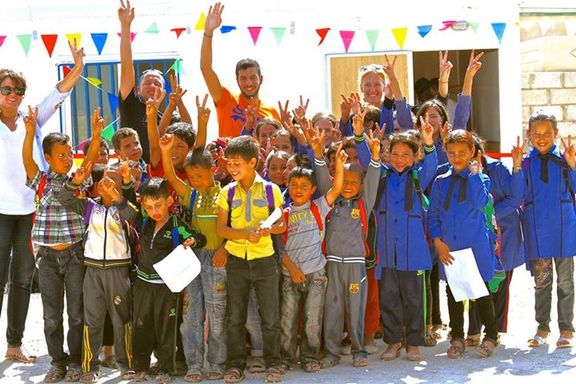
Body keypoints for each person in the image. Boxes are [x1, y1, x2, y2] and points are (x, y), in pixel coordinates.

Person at [0, 40, 84, 365]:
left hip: (28, 212)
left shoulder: (29, 119)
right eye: (6, 89)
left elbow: (57, 95)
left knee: (21, 279)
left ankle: (13, 344)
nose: (13, 95)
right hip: (0, 213)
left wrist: (76, 69)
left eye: (18, 90)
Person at [22, 107, 103, 382]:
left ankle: (77, 361)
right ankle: (57, 362)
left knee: (77, 314)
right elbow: (27, 162)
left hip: (75, 256)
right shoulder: (41, 181)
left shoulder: (78, 181)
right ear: (48, 158)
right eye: (61, 156)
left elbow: (89, 162)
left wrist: (95, 135)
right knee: (51, 316)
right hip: (47, 258)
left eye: (69, 155)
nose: (67, 160)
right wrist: (30, 131)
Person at [355, 115, 437, 362]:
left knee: (414, 300)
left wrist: (428, 141)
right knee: (389, 298)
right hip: (387, 252)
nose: (400, 159)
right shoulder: (381, 176)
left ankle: (414, 343)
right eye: (395, 153)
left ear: (415, 157)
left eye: (406, 155)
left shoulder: (418, 177)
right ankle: (393, 342)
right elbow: (366, 160)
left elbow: (432, 165)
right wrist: (359, 135)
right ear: (387, 154)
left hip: (414, 253)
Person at [159, 105, 228, 381]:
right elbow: (172, 178)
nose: (196, 180)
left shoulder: (225, 193)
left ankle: (216, 363)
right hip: (194, 258)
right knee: (191, 313)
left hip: (217, 258)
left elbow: (231, 227)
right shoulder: (191, 195)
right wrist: (165, 153)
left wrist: (224, 249)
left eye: (200, 175)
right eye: (192, 177)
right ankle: (194, 364)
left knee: (218, 311)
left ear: (213, 170)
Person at [56, 163, 138, 383]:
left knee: (121, 319)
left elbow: (133, 216)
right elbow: (64, 198)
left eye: (113, 179)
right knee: (92, 320)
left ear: (121, 185)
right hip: (92, 271)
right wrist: (74, 182)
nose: (107, 182)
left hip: (118, 270)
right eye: (103, 179)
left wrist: (118, 197)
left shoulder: (123, 208)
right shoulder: (91, 207)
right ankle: (90, 366)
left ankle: (126, 364)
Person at [215, 136, 286, 383]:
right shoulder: (226, 192)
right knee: (235, 316)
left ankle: (274, 363)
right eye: (229, 163)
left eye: (237, 163)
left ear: (253, 162)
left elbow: (281, 223)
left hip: (265, 260)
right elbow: (222, 229)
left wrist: (269, 229)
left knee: (270, 315)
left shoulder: (271, 190)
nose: (231, 168)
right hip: (236, 260)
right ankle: (235, 365)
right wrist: (245, 234)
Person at [125, 177, 206, 383]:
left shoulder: (177, 225)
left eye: (158, 205)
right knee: (141, 326)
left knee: (166, 328)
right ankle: (140, 367)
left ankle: (165, 369)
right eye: (149, 207)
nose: (155, 211)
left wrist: (192, 240)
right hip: (143, 284)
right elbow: (127, 202)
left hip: (167, 287)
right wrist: (127, 181)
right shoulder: (143, 220)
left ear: (169, 201)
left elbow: (200, 237)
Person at [427, 129, 499, 359]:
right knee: (454, 293)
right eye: (451, 152)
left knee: (482, 293)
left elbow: (479, 202)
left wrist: (474, 174)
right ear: (445, 153)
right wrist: (437, 241)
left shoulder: (481, 178)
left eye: (462, 152)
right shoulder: (440, 182)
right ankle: (457, 336)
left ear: (472, 153)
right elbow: (434, 213)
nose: (457, 157)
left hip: (475, 246)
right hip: (451, 247)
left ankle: (491, 335)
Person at [319, 113, 381, 369]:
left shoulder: (363, 203)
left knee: (356, 306)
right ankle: (332, 351)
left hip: (356, 265)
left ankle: (358, 350)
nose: (348, 186)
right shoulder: (330, 201)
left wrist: (375, 157)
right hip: (332, 263)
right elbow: (323, 178)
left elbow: (374, 179)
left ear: (361, 185)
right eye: (344, 180)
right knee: (333, 307)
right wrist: (318, 155)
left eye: (354, 182)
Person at [280, 142, 346, 372]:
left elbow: (336, 190)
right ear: (287, 186)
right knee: (287, 320)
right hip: (290, 275)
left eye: (304, 186)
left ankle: (309, 356)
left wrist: (338, 166)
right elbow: (279, 249)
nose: (298, 189)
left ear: (312, 189)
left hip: (316, 274)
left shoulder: (318, 207)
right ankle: (287, 357)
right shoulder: (282, 215)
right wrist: (293, 270)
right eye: (294, 185)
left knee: (312, 319)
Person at [515, 110, 576, 349]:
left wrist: (572, 165)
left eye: (547, 134)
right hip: (538, 231)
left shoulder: (563, 160)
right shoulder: (527, 162)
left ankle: (566, 328)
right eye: (536, 133)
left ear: (556, 134)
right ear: (529, 135)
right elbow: (518, 193)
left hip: (564, 231)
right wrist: (517, 166)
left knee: (566, 283)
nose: (542, 138)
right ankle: (542, 326)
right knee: (542, 281)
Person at [466, 134, 525, 346]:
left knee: (500, 282)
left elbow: (516, 196)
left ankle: (496, 331)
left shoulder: (498, 169)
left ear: (478, 153)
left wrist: (489, 213)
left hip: (504, 232)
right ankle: (473, 329)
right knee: (475, 282)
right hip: (475, 234)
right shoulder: (459, 173)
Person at [117, 0, 191, 163]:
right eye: (148, 83)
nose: (152, 86)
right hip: (129, 173)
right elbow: (127, 68)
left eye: (157, 83)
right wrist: (125, 26)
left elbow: (189, 132)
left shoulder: (168, 117)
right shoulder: (130, 104)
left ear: (164, 92)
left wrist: (178, 104)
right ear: (137, 88)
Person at [201, 2, 279, 137]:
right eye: (243, 78)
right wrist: (208, 32)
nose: (248, 83)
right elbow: (205, 68)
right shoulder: (226, 99)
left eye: (253, 77)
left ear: (261, 79)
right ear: (237, 80)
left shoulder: (271, 112)